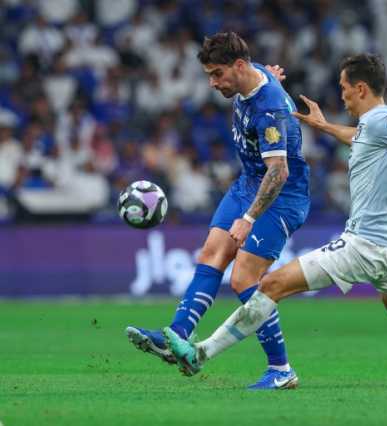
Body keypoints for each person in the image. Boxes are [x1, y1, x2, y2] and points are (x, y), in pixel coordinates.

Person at [163, 53, 387, 390]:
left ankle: (202, 353)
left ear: (361, 88)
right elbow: (359, 137)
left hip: (364, 244)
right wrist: (324, 126)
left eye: (344, 87)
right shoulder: (372, 128)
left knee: (270, 286)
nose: (341, 93)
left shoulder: (385, 119)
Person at [126, 32, 310, 390]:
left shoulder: (269, 107)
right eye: (209, 74)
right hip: (247, 184)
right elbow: (263, 75)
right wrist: (270, 75)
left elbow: (279, 171)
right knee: (211, 253)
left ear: (238, 66)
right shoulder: (252, 77)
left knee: (244, 278)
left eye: (217, 74)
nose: (212, 83)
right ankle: (176, 334)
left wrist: (249, 218)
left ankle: (281, 369)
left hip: (280, 196)